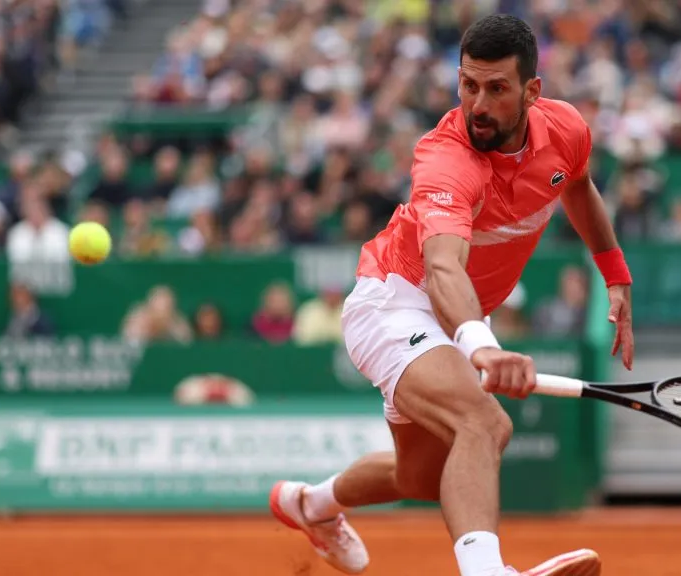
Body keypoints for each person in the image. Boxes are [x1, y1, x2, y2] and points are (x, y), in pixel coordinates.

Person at [270, 15, 634, 576]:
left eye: (497, 88)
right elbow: (442, 267)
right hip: (396, 302)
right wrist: (480, 343)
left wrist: (614, 274)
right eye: (469, 85)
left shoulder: (566, 130)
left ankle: (309, 505)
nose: (478, 104)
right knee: (485, 424)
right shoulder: (445, 157)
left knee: (419, 476)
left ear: (532, 92)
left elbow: (579, 185)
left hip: (455, 317)